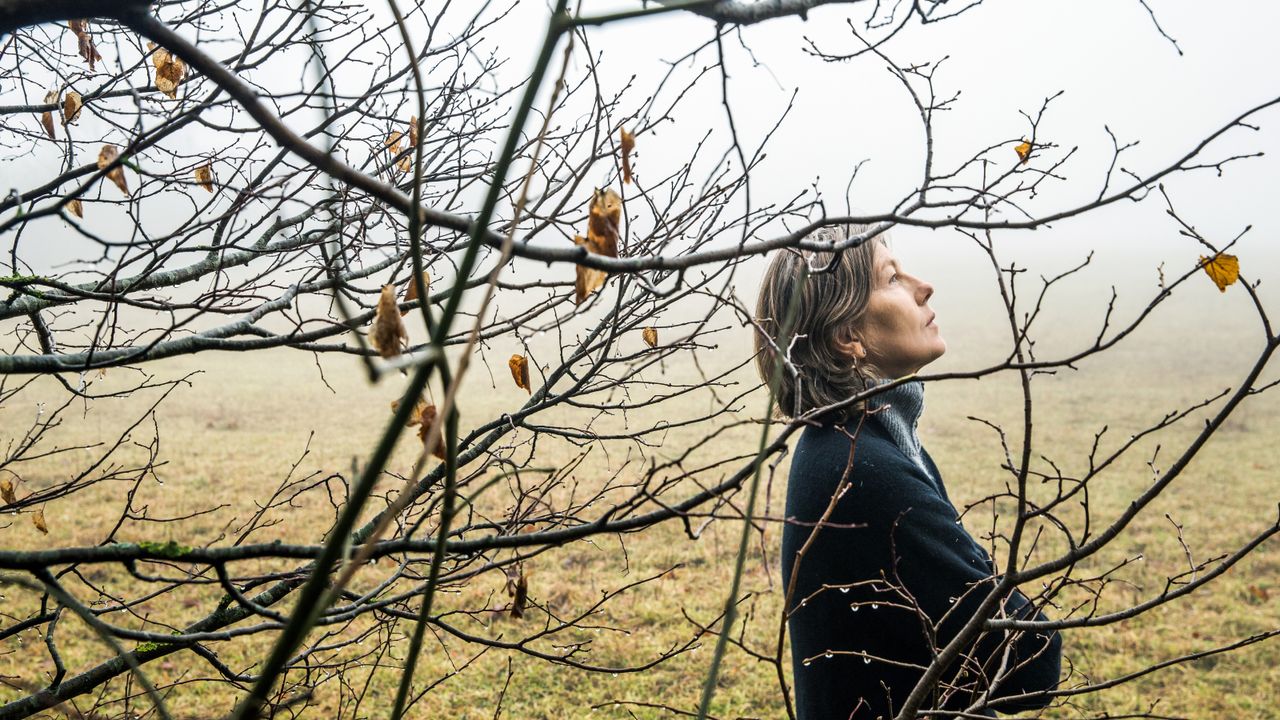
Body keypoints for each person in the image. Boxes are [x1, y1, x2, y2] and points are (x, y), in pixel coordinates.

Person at [754, 225, 1062, 719]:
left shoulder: (853, 442)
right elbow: (1031, 667)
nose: (924, 286)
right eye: (892, 277)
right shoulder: (863, 470)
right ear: (847, 336)